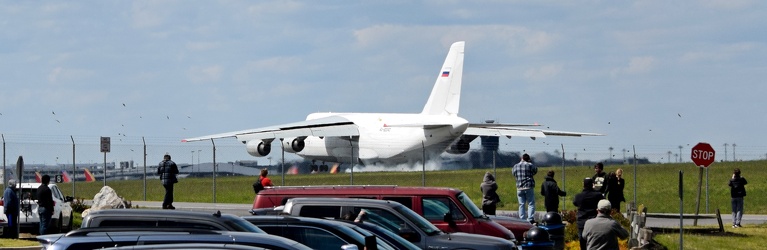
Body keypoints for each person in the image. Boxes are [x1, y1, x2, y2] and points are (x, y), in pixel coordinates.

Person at [573, 177, 603, 250]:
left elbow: (575, 203)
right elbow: (603, 202)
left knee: (582, 240)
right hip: (594, 220)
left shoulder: (578, 196)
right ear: (592, 184)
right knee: (594, 240)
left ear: (583, 185)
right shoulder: (598, 195)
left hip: (582, 220)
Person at [512, 153, 538, 223]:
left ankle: (522, 219)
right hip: (528, 186)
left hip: (519, 187)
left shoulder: (515, 166)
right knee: (531, 203)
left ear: (521, 158)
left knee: (521, 204)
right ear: (528, 159)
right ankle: (530, 219)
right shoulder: (530, 165)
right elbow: (535, 171)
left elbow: (513, 174)